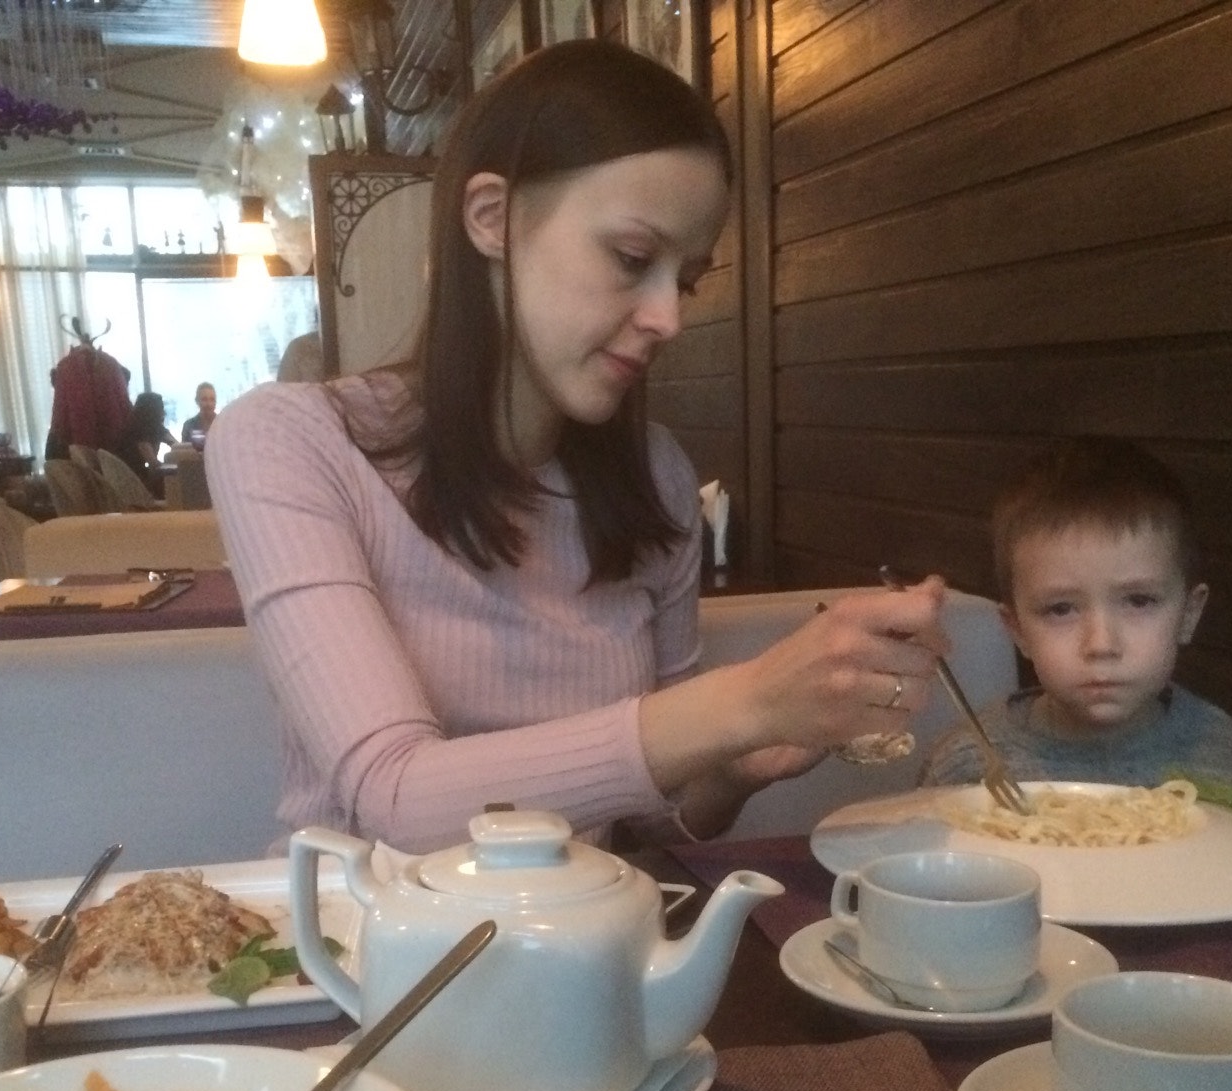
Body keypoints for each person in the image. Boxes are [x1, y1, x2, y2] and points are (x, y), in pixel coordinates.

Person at [209, 41, 947, 854]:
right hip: (361, 929)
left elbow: (647, 820)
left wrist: (734, 769)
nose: (669, 317)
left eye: (686, 279)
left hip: (586, 924)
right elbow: (398, 798)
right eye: (633, 259)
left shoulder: (657, 478)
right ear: (491, 218)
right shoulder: (289, 442)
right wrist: (745, 702)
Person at [921, 438, 1232, 792]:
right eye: (1061, 609)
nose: (1101, 645)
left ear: (1188, 614)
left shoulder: (1224, 752)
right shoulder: (968, 763)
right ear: (1017, 630)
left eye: (1139, 601)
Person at [120, 391, 177, 495]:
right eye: (161, 408)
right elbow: (153, 463)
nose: (164, 412)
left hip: (135, 477)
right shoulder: (137, 430)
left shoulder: (155, 428)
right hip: (131, 480)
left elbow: (178, 446)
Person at [180, 383, 217, 449]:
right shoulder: (189, 426)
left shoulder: (223, 424)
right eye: (204, 399)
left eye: (212, 399)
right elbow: (184, 452)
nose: (209, 404)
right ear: (197, 401)